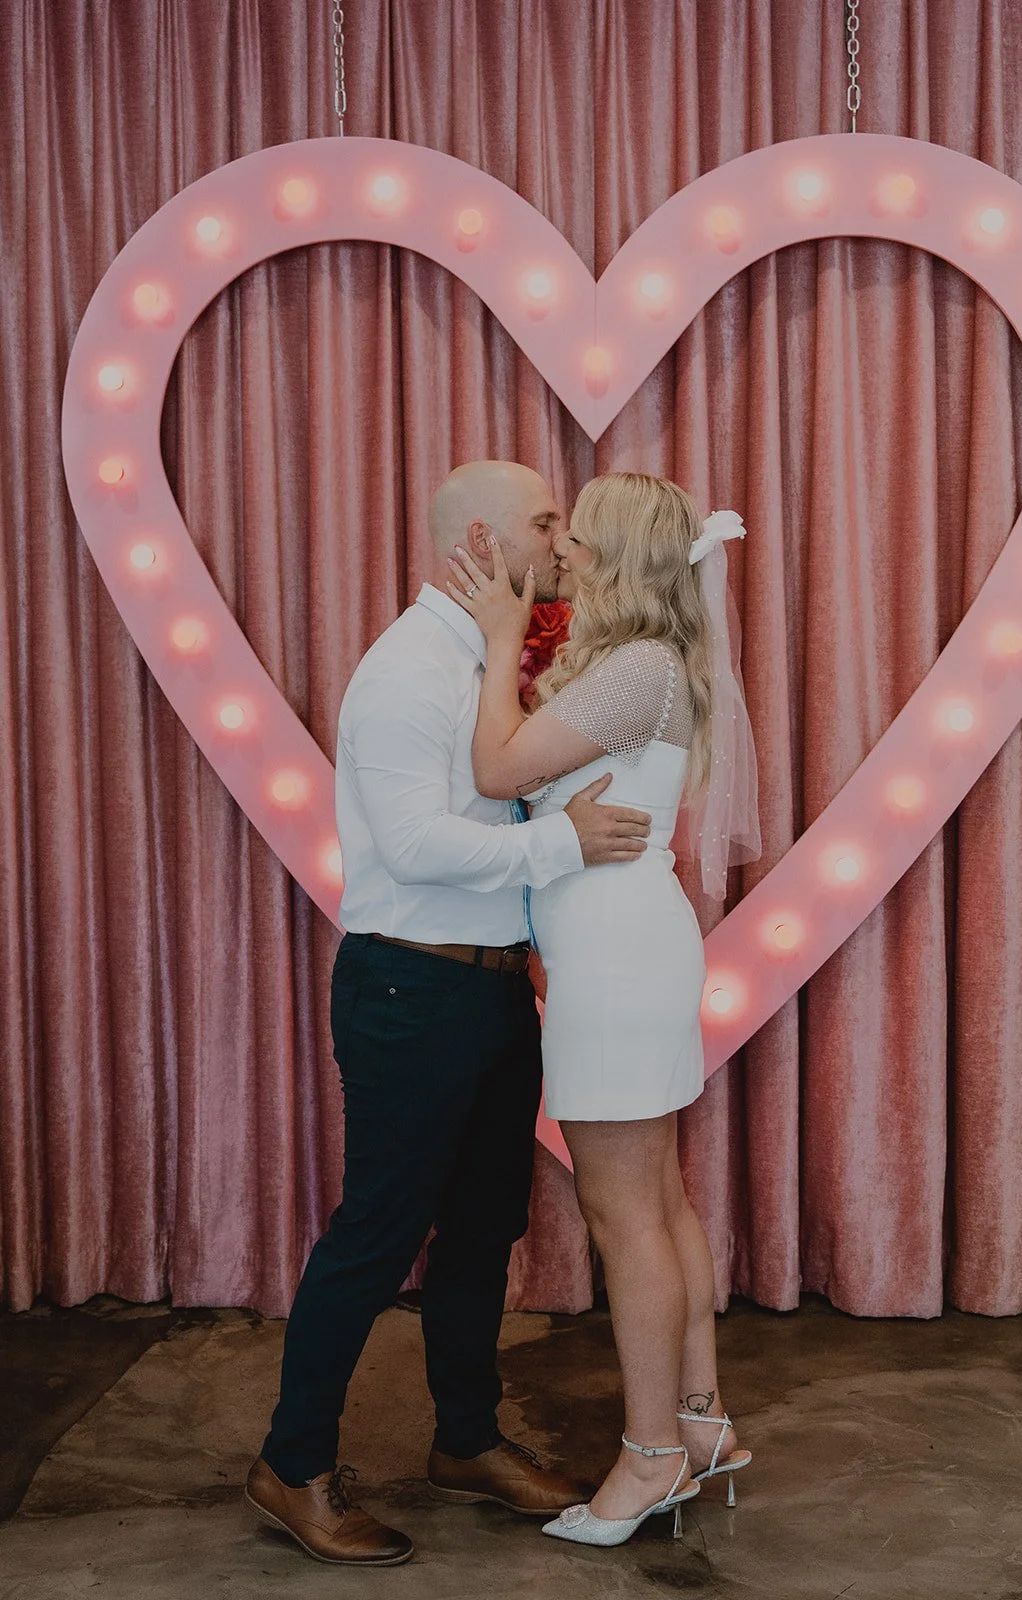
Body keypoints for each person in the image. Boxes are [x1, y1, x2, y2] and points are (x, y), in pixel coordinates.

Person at [244, 461, 655, 1567]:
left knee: (485, 1230)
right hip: (408, 987)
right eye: (541, 521)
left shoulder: (489, 660)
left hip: (488, 984)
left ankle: (465, 1442)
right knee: (377, 1235)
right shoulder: (405, 672)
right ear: (479, 538)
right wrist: (565, 842)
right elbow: (419, 843)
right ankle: (292, 1466)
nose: (561, 538)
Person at [446, 471, 761, 1548]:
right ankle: (699, 1421)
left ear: (619, 559)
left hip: (616, 956)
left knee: (625, 1218)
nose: (563, 553)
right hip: (628, 947)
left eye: (578, 539)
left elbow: (493, 765)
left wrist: (497, 645)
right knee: (658, 1204)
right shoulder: (646, 665)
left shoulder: (633, 667)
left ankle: (647, 1459)